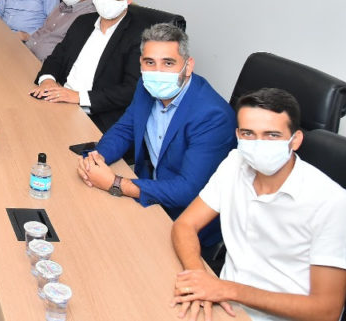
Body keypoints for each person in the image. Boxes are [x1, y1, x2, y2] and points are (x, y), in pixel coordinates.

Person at [171, 88, 346, 321]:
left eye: (271, 135)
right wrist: (199, 278)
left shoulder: (335, 205)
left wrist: (229, 290)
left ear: (295, 140)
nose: (258, 144)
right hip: (223, 303)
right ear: (238, 134)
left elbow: (326, 311)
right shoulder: (235, 163)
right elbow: (185, 225)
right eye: (248, 133)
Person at [76, 23, 235, 248]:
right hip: (148, 194)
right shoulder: (146, 85)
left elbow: (187, 190)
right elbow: (125, 129)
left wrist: (115, 183)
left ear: (188, 65)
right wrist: (97, 158)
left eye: (168, 63)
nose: (157, 72)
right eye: (150, 62)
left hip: (183, 220)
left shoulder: (213, 116)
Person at [31, 0, 146, 131]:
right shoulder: (83, 21)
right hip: (59, 100)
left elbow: (131, 89)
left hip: (94, 115)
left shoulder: (139, 36)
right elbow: (57, 57)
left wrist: (79, 97)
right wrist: (47, 80)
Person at [24, 0, 96, 60]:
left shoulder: (88, 17)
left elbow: (69, 56)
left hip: (43, 65)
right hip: (27, 52)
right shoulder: (61, 5)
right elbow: (42, 31)